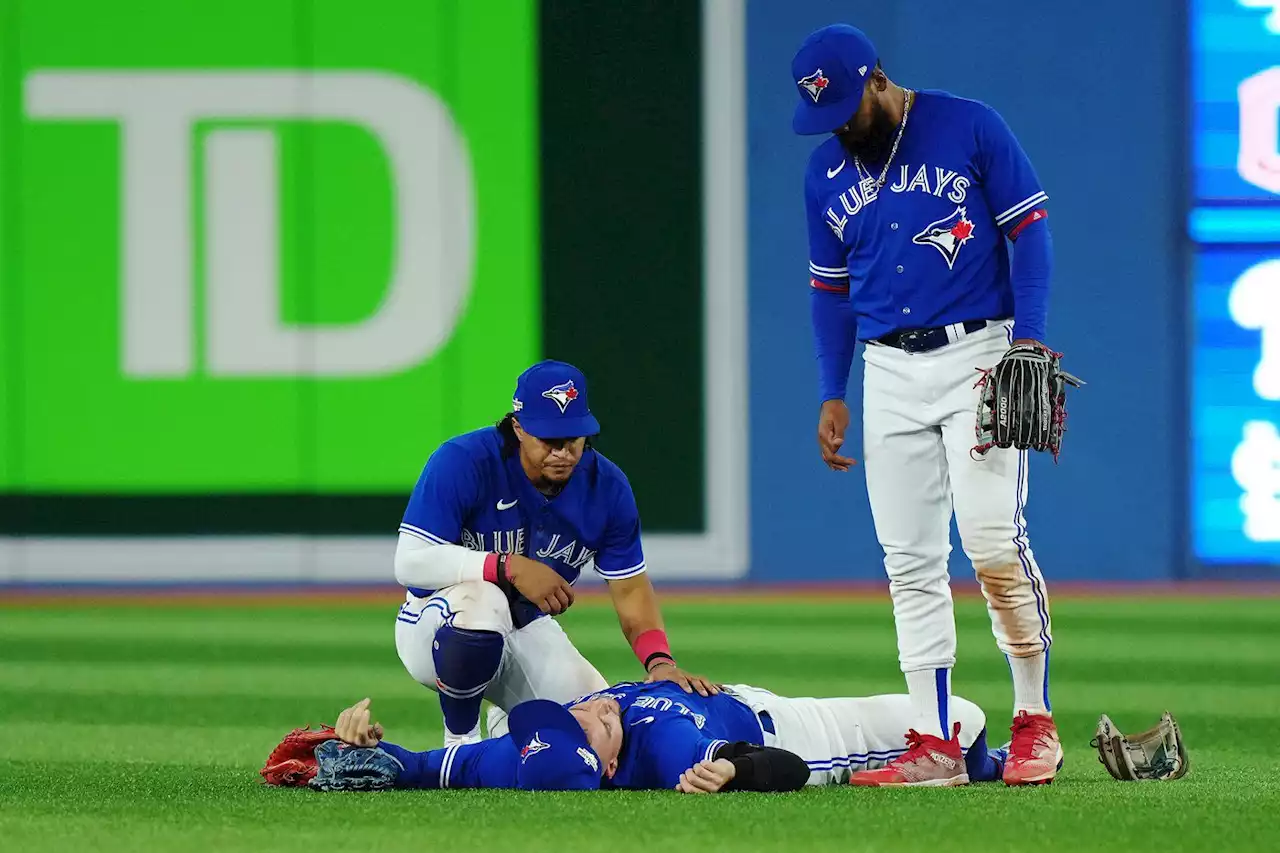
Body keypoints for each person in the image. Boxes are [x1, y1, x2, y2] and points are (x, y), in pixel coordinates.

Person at [790, 23, 1063, 786]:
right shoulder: (824, 172)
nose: (840, 125)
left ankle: (1035, 719)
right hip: (887, 367)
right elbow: (828, 289)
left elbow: (1030, 233)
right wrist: (830, 389)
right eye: (826, 115)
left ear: (876, 78)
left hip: (979, 352)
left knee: (990, 543)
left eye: (847, 105)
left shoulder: (967, 124)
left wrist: (1029, 342)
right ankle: (933, 741)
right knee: (909, 560)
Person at [393, 359, 716, 748]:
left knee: (601, 731)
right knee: (483, 599)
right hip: (437, 627)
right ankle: (460, 741)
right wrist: (507, 566)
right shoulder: (465, 461)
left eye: (573, 439)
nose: (562, 452)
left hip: (526, 628)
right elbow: (410, 561)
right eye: (549, 439)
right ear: (518, 428)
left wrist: (659, 661)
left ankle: (508, 724)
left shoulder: (607, 488)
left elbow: (630, 589)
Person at [284, 679, 1006, 793]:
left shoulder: (529, 750)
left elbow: (420, 766)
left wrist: (360, 738)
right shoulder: (663, 752)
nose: (591, 706)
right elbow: (782, 768)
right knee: (958, 714)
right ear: (604, 765)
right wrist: (735, 770)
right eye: (591, 727)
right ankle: (997, 763)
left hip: (743, 692)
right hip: (802, 729)